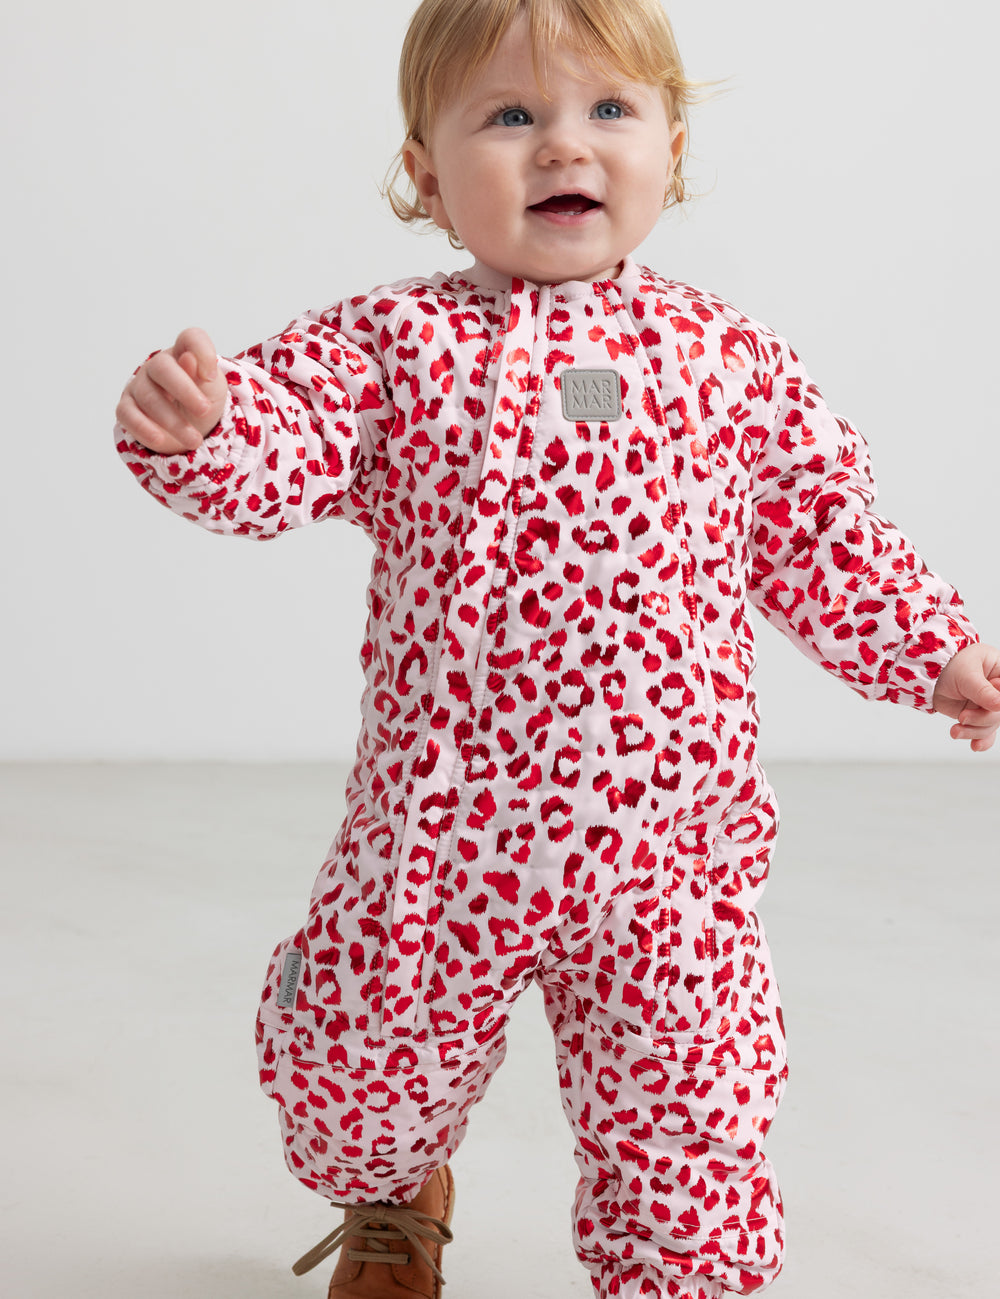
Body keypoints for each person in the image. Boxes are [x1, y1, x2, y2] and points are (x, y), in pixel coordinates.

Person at [113, 1, 1000, 1295]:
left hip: (668, 848)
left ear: (674, 149)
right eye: (511, 116)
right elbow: (286, 438)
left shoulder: (729, 361)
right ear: (425, 169)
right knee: (354, 1072)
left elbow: (822, 532)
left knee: (695, 1120)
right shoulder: (392, 345)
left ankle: (678, 1275)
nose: (561, 148)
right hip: (439, 836)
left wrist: (938, 654)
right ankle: (392, 1196)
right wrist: (202, 430)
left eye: (608, 111)